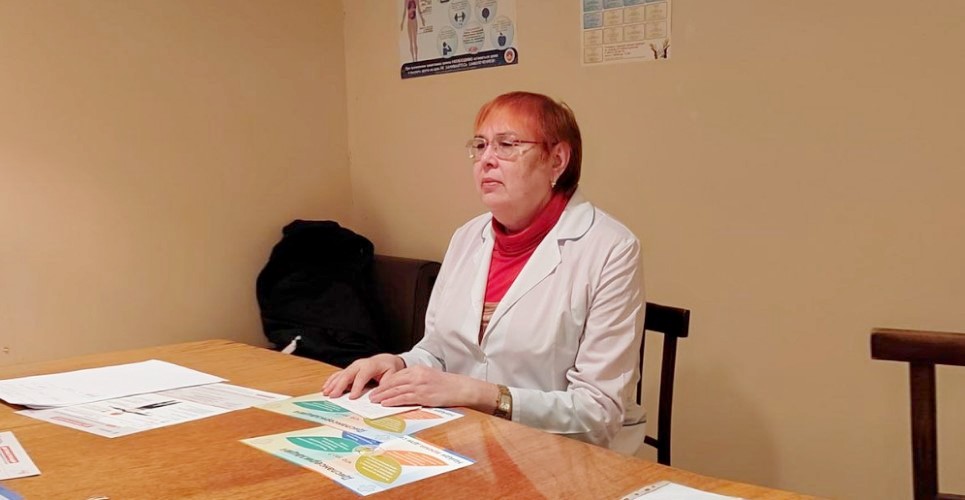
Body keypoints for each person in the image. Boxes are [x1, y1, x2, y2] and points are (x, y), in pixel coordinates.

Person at [323, 91, 645, 452]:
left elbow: (598, 414)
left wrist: (480, 394)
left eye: (506, 145)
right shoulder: (467, 236)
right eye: (480, 146)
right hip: (469, 438)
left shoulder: (610, 248)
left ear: (557, 160)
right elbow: (439, 352)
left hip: (567, 454)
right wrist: (398, 363)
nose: (486, 160)